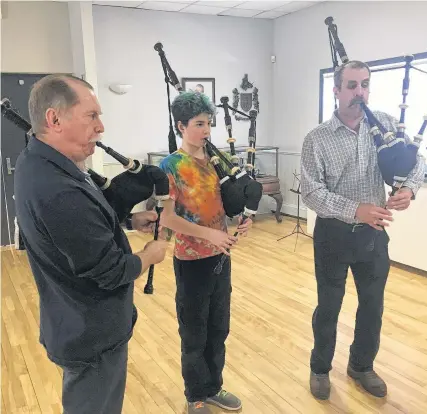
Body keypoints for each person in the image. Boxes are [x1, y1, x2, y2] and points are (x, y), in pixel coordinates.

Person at [14, 74, 168, 414]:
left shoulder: (38, 162)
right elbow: (111, 271)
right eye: (92, 116)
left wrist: (127, 221)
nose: (101, 128)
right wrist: (149, 255)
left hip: (73, 320)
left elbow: (75, 231)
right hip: (91, 332)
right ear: (54, 119)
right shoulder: (58, 187)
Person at [300, 60, 424, 400]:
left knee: (372, 305)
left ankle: (361, 365)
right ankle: (320, 368)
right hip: (333, 236)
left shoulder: (384, 125)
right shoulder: (317, 139)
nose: (360, 92)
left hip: (374, 236)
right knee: (329, 306)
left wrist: (409, 189)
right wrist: (356, 209)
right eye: (352, 85)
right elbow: (312, 192)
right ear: (336, 90)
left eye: (365, 85)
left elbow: (417, 161)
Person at [159, 91, 252, 414]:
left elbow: (227, 203)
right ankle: (194, 394)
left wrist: (241, 219)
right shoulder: (170, 166)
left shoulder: (217, 163)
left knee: (218, 328)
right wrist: (210, 233)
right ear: (181, 125)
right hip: (191, 262)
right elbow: (167, 218)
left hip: (221, 259)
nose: (206, 131)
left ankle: (213, 387)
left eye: (208, 124)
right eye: (199, 124)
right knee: (194, 332)